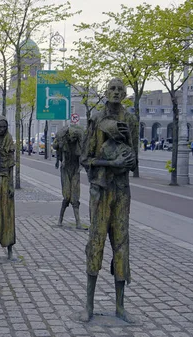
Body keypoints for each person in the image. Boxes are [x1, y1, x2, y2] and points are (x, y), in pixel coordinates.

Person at [79, 78, 137, 323]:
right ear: (106, 92)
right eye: (112, 89)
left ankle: (120, 306)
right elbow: (86, 158)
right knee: (96, 241)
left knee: (122, 243)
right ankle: (89, 306)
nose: (116, 92)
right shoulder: (96, 119)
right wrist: (110, 163)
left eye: (119, 89)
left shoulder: (131, 120)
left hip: (122, 190)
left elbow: (135, 157)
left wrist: (127, 161)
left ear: (124, 93)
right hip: (101, 191)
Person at [53, 125, 87, 229]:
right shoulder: (63, 141)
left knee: (75, 197)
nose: (72, 139)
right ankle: (60, 220)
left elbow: (83, 157)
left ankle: (78, 223)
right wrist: (60, 159)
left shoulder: (79, 144)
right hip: (65, 169)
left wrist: (82, 166)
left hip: (75, 170)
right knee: (67, 196)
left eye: (74, 138)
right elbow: (56, 147)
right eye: (71, 137)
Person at [0, 115, 16, 260]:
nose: (2, 129)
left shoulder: (9, 140)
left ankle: (10, 248)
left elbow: (11, 165)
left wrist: (11, 185)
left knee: (8, 214)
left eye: (4, 127)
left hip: (6, 181)